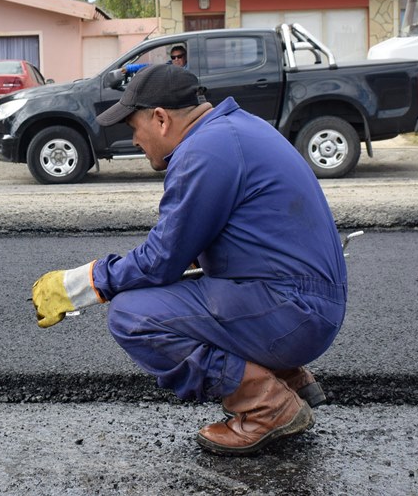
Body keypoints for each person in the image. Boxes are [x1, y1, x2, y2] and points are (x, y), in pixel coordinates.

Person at [31, 63, 348, 456]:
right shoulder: (237, 129)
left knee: (133, 315)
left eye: (134, 128)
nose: (135, 141)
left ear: (160, 119)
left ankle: (267, 406)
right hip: (308, 303)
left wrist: (81, 284)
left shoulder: (202, 151)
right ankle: (286, 377)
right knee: (182, 288)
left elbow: (161, 260)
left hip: (294, 314)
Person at [122, 44, 186, 75]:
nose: (176, 59)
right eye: (173, 57)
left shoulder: (191, 69)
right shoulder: (169, 66)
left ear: (185, 56)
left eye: (179, 56)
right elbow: (151, 67)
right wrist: (128, 68)